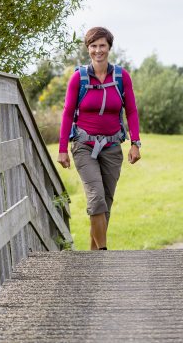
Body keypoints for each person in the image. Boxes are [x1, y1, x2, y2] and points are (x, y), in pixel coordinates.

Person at [57, 26, 141, 250]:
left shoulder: (122, 77)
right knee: (96, 199)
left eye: (102, 45)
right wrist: (62, 148)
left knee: (106, 203)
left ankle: (94, 255)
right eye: (93, 46)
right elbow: (67, 113)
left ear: (109, 47)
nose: (98, 50)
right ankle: (104, 254)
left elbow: (131, 111)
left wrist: (135, 143)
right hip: (84, 146)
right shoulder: (79, 78)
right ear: (88, 49)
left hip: (112, 147)